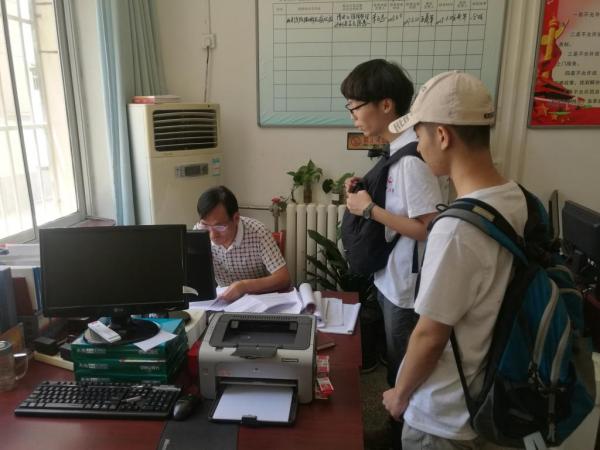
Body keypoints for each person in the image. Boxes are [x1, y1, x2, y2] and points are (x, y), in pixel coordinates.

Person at [382, 71, 528, 450]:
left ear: (443, 135)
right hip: (492, 392)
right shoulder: (514, 197)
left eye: (419, 135)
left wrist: (399, 395)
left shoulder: (456, 229)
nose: (418, 147)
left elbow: (430, 335)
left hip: (444, 416)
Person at [341, 59, 443, 390]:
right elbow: (400, 203)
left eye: (355, 106)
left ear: (386, 105)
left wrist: (369, 209)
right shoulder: (395, 149)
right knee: (395, 358)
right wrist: (365, 190)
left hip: (406, 287)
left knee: (403, 369)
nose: (353, 115)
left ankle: (400, 419)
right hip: (390, 275)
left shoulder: (412, 158)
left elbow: (429, 228)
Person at [194, 185, 290, 302]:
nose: (212, 235)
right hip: (222, 301)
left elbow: (283, 278)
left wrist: (244, 286)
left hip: (258, 300)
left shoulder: (258, 232)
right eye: (205, 225)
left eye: (219, 226)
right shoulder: (198, 234)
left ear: (236, 218)